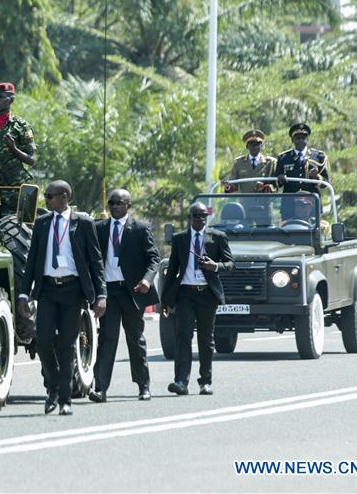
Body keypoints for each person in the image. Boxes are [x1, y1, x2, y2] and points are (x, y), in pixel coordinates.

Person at [17, 180, 106, 416]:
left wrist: (101, 295)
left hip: (72, 291)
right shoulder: (42, 223)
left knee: (66, 346)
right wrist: (25, 293)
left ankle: (64, 399)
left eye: (49, 196)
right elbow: (32, 259)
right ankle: (53, 387)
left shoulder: (84, 223)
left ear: (64, 197)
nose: (45, 200)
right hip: (47, 290)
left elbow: (96, 262)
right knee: (44, 341)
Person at [89, 189, 160, 403]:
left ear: (128, 205)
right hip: (109, 292)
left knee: (135, 340)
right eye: (111, 203)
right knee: (107, 340)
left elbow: (154, 258)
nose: (114, 207)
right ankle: (100, 388)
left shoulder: (140, 228)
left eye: (119, 203)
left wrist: (147, 280)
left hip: (133, 292)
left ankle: (143, 386)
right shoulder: (99, 228)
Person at [161, 202, 234, 396]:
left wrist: (215, 266)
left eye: (204, 216)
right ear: (190, 217)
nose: (201, 219)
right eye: (197, 216)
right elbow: (172, 271)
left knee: (206, 339)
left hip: (207, 294)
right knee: (183, 336)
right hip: (186, 293)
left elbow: (230, 264)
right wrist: (166, 300)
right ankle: (180, 381)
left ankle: (205, 382)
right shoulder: (180, 239)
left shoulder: (217, 237)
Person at [0, 82, 36, 214]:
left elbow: (31, 160)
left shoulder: (21, 126)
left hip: (15, 188)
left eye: (1, 97)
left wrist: (14, 148)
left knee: (20, 226)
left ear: (11, 100)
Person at [275, 122, 328, 194]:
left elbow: (325, 183)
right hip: (289, 201)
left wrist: (317, 177)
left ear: (307, 139)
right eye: (297, 138)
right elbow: (275, 183)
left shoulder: (318, 156)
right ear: (292, 140)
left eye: (303, 138)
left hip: (311, 201)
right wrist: (280, 179)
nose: (301, 141)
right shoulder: (283, 158)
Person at [221, 129, 277, 193]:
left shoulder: (270, 162)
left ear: (261, 146)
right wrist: (227, 185)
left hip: (264, 201)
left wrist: (266, 187)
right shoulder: (239, 163)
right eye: (251, 144)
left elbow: (276, 185)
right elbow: (233, 185)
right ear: (247, 146)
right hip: (245, 201)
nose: (255, 147)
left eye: (257, 144)